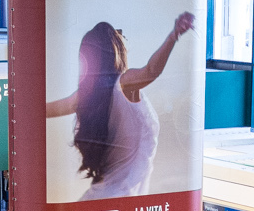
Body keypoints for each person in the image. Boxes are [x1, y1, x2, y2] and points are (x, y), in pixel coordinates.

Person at [46, 10, 196, 200]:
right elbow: (151, 71)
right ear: (115, 47)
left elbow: (43, 110)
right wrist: (173, 36)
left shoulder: (89, 95)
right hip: (119, 202)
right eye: (119, 34)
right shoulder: (124, 84)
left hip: (102, 200)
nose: (124, 35)